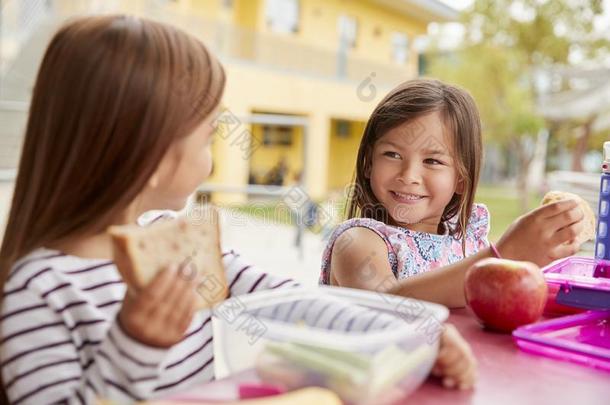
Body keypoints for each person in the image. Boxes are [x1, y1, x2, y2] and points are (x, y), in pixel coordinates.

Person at [0, 18, 476, 403]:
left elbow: (296, 303)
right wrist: (135, 345)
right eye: (208, 136)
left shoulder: (180, 246)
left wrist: (411, 336)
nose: (212, 152)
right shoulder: (39, 291)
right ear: (150, 157)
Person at [320, 79, 585, 309]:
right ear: (368, 163)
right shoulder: (357, 242)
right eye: (392, 154)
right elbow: (386, 305)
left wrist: (538, 259)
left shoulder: (468, 243)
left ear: (460, 178)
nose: (408, 175)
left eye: (433, 161)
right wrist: (503, 256)